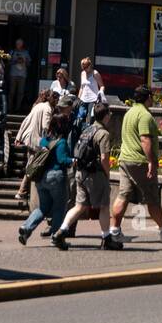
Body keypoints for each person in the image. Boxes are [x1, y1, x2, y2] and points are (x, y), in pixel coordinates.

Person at [109, 85, 162, 244]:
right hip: (139, 161)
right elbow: (145, 140)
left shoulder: (129, 112)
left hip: (125, 160)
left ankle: (114, 231)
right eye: (152, 96)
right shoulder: (144, 115)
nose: (153, 99)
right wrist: (152, 162)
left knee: (123, 195)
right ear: (147, 97)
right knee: (152, 198)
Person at [52, 104, 121, 250]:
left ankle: (61, 231)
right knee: (103, 206)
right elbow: (104, 158)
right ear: (106, 115)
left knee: (79, 206)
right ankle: (106, 239)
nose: (110, 117)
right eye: (109, 114)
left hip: (80, 172)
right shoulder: (103, 134)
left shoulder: (87, 129)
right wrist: (107, 174)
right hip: (95, 174)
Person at [18, 109, 72, 245]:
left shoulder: (44, 141)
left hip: (41, 178)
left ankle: (26, 227)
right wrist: (73, 161)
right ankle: (55, 236)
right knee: (60, 207)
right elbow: (62, 160)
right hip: (56, 177)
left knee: (43, 207)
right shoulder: (62, 142)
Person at [14, 90, 57, 204]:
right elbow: (45, 127)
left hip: (29, 138)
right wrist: (46, 144)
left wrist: (19, 136)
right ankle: (21, 191)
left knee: (31, 163)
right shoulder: (47, 108)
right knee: (33, 165)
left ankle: (24, 191)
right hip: (36, 140)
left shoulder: (38, 106)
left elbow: (26, 120)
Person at [77, 57, 105, 129]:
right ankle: (81, 133)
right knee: (80, 117)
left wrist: (100, 93)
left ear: (90, 66)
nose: (84, 69)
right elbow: (82, 87)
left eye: (86, 67)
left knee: (90, 118)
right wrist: (78, 98)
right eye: (83, 68)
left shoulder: (95, 73)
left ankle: (89, 133)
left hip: (93, 99)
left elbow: (102, 86)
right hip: (83, 98)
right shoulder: (82, 73)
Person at [7, 39, 32, 113]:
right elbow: (8, 63)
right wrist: (15, 61)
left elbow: (29, 63)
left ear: (22, 44)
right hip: (13, 75)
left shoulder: (26, 52)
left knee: (20, 93)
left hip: (22, 75)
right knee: (11, 92)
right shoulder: (12, 52)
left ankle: (18, 108)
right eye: (17, 43)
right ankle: (9, 108)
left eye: (19, 44)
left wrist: (24, 61)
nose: (18, 45)